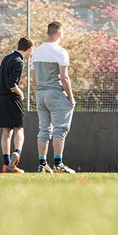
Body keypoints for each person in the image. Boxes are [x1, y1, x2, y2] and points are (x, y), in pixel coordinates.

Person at [32, 21, 76, 173]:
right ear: (58, 33)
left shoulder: (36, 52)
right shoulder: (60, 52)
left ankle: (42, 164)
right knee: (60, 129)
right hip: (55, 94)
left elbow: (33, 77)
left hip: (40, 94)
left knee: (43, 130)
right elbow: (64, 78)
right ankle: (58, 164)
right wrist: (71, 97)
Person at [0, 37, 34, 173]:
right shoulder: (19, 61)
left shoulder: (7, 58)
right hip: (12, 98)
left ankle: (7, 165)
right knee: (19, 129)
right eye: (31, 52)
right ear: (29, 49)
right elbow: (12, 84)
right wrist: (20, 93)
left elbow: (1, 79)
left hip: (1, 97)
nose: (30, 55)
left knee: (6, 131)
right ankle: (17, 153)